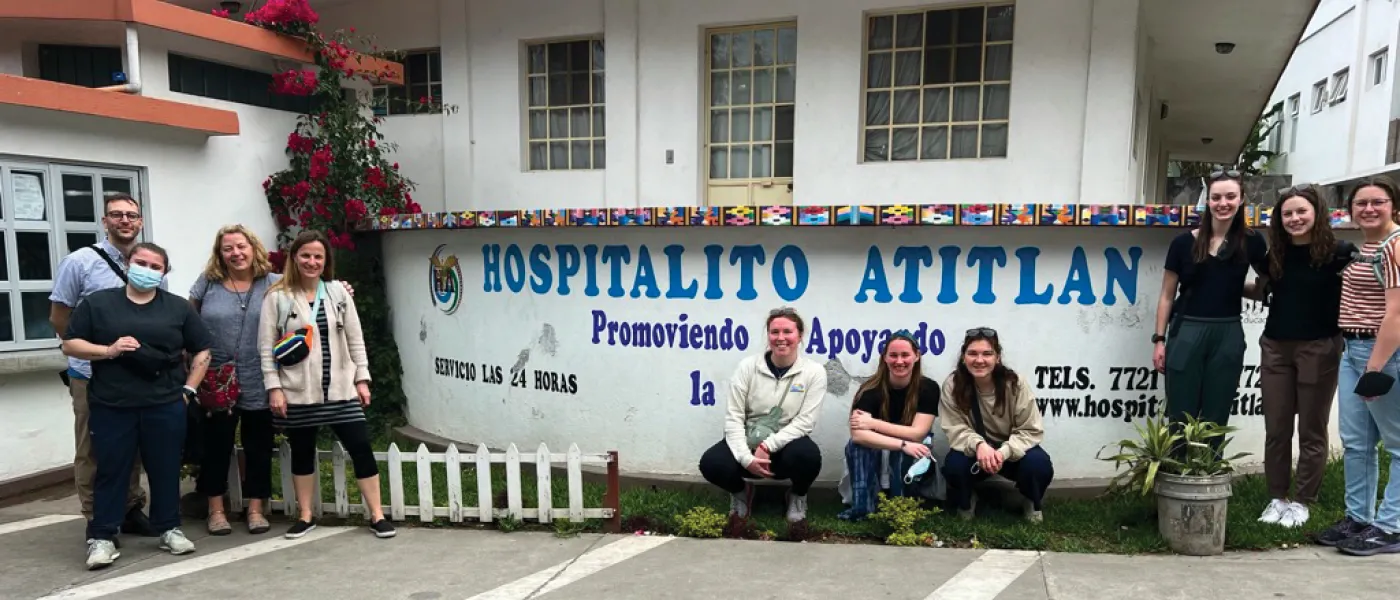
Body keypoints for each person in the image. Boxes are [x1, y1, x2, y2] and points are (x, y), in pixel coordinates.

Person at [61, 242, 214, 570]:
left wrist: (188, 389)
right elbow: (70, 343)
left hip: (164, 403)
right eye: (140, 262)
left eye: (155, 266)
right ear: (128, 264)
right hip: (112, 403)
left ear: (164, 272)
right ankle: (102, 535)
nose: (147, 270)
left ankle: (169, 528)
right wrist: (109, 350)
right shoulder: (98, 304)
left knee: (165, 468)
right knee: (111, 469)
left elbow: (202, 350)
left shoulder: (177, 308)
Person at [258, 230, 395, 540]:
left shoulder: (337, 293)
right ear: (294, 257)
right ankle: (306, 515)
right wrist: (274, 387)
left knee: (361, 448)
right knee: (303, 452)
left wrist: (362, 379)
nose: (312, 261)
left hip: (341, 389)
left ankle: (376, 514)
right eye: (305, 255)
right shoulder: (277, 297)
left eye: (318, 256)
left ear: (326, 261)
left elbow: (355, 339)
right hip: (298, 391)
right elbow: (266, 348)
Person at [48, 193, 160, 537]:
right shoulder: (80, 262)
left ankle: (129, 509)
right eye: (117, 215)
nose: (125, 221)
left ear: (140, 221)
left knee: (132, 446)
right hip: (91, 374)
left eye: (131, 215)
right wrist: (94, 351)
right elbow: (59, 317)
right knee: (93, 448)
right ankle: (97, 517)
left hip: (136, 377)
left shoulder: (150, 265)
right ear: (105, 221)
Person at [1249, 185, 1354, 529]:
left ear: (1316, 214)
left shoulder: (1339, 253)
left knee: (1311, 428)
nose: (1295, 218)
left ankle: (1303, 501)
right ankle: (1277, 497)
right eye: (1287, 213)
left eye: (1301, 212)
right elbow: (1262, 288)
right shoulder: (1274, 256)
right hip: (1276, 347)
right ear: (1279, 219)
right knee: (1276, 428)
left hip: (1320, 346)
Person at [1314, 176, 1400, 556]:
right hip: (1353, 350)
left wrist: (1375, 370)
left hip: (1382, 354)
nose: (1368, 209)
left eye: (1377, 202)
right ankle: (1359, 518)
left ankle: (1391, 525)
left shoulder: (1396, 245)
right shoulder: (1369, 246)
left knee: (1397, 445)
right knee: (1357, 443)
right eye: (1360, 203)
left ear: (1392, 206)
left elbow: (1397, 314)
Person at [1153, 168, 1269, 438]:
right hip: (1187, 330)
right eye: (1216, 197)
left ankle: (1208, 473)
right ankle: (1177, 475)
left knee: (1217, 412)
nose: (1223, 203)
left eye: (1230, 196)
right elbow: (1167, 295)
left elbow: (1263, 286)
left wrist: (1252, 287)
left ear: (1241, 200)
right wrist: (1159, 340)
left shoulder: (1252, 242)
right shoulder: (1183, 243)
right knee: (1180, 412)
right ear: (1208, 201)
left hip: (1228, 331)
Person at [189, 225, 282, 536]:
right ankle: (216, 510)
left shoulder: (275, 283)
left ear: (253, 248)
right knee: (216, 446)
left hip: (260, 373)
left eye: (241, 246)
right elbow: (189, 320)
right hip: (216, 376)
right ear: (220, 254)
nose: (235, 253)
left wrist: (342, 289)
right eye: (228, 248)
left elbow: (309, 298)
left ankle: (256, 508)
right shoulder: (208, 284)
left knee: (258, 444)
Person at [698, 307, 827, 526]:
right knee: (712, 463)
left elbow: (805, 422)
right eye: (774, 332)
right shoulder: (748, 366)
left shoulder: (814, 372)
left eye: (788, 332)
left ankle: (797, 496)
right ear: (768, 335)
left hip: (786, 444)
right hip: (748, 440)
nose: (781, 338)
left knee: (809, 457)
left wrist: (767, 445)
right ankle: (742, 493)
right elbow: (734, 417)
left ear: (800, 335)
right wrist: (745, 458)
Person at [939, 328, 1051, 523]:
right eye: (972, 353)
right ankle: (967, 500)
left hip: (1011, 450)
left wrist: (1003, 452)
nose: (979, 360)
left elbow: (1030, 429)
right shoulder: (953, 385)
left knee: (1039, 465)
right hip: (976, 451)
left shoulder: (1015, 384)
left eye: (987, 354)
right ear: (964, 357)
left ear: (997, 357)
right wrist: (979, 445)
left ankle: (1031, 499)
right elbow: (954, 427)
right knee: (954, 466)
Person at [838, 330, 939, 521]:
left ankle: (900, 509)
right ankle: (863, 509)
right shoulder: (870, 389)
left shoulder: (928, 388)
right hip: (882, 449)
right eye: (893, 355)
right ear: (884, 358)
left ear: (916, 356)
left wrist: (873, 423)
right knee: (857, 446)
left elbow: (917, 434)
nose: (899, 361)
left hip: (915, 451)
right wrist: (901, 443)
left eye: (905, 355)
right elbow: (859, 436)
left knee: (904, 454)